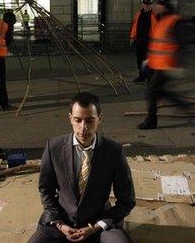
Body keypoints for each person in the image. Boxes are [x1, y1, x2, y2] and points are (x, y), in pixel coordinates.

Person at [29, 92, 135, 243]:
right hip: (62, 219)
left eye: (90, 121)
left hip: (99, 222)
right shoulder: (54, 147)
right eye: (78, 120)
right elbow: (46, 189)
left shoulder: (113, 151)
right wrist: (59, 224)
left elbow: (127, 200)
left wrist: (97, 226)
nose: (83, 128)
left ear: (100, 119)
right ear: (70, 118)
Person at [138, 0, 189, 130]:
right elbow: (158, 43)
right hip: (158, 64)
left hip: (167, 65)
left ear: (165, 6)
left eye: (158, 3)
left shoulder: (174, 20)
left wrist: (179, 65)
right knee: (157, 92)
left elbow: (181, 43)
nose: (155, 6)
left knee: (150, 92)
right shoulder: (162, 19)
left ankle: (151, 121)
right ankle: (183, 104)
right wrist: (148, 60)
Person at [130, 0, 156, 83]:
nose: (147, 6)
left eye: (148, 4)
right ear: (142, 4)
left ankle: (149, 78)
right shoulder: (139, 14)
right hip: (139, 41)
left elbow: (156, 29)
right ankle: (142, 77)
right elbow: (134, 26)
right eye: (145, 4)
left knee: (148, 60)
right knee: (140, 60)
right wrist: (132, 37)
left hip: (149, 42)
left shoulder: (154, 15)